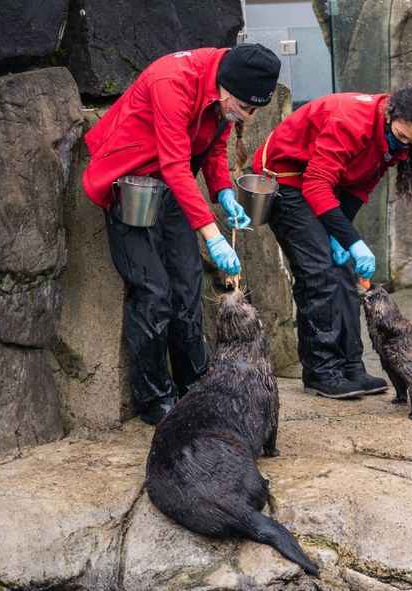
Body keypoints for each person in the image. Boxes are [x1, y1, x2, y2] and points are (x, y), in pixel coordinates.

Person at [82, 44, 281, 424]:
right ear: (225, 89)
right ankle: (155, 399)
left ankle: (195, 384)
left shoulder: (226, 88)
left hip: (173, 187)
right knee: (153, 291)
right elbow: (174, 163)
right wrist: (213, 236)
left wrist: (223, 190)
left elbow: (212, 144)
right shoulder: (171, 82)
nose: (249, 117)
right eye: (246, 108)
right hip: (129, 180)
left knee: (187, 284)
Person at [252, 85, 412, 399]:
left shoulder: (394, 138)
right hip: (287, 181)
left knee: (343, 273)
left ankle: (351, 365)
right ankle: (322, 370)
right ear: (390, 112)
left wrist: (341, 234)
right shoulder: (351, 121)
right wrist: (353, 241)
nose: (404, 144)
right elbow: (315, 183)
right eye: (401, 135)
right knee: (319, 274)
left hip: (324, 186)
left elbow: (359, 187)